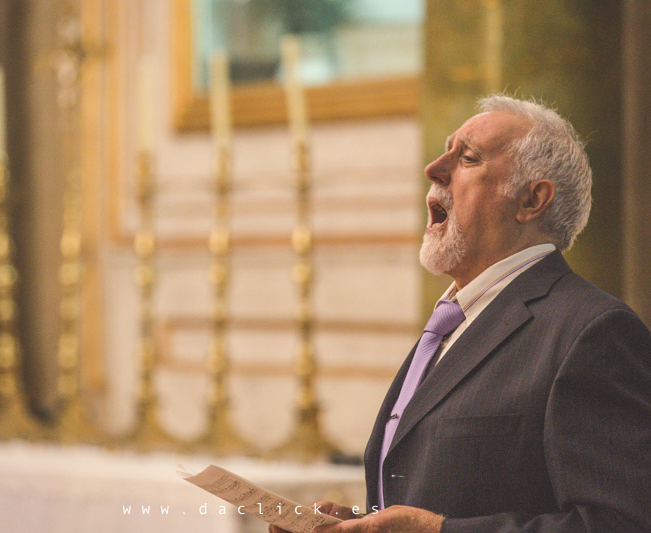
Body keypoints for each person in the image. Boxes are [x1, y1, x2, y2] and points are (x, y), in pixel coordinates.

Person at [271, 95, 651, 533]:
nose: (433, 168)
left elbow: (622, 523)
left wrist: (441, 532)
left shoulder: (592, 333)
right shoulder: (456, 320)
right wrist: (364, 524)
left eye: (467, 157)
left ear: (531, 201)